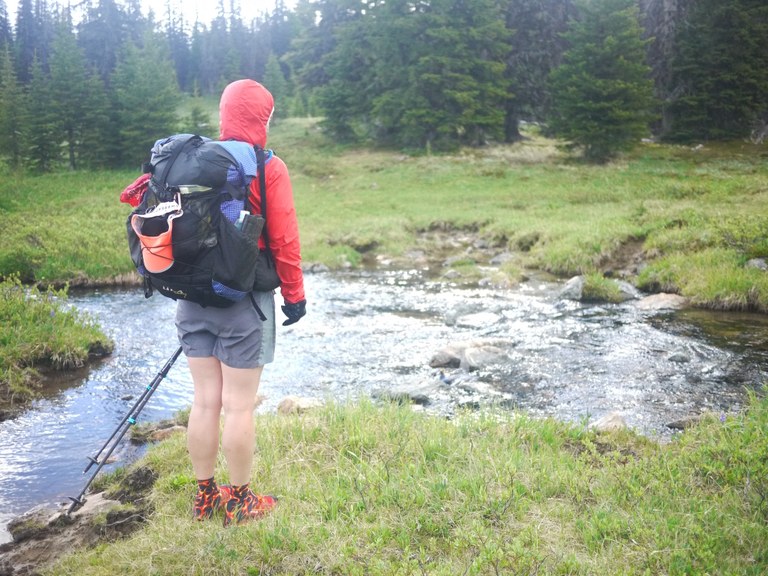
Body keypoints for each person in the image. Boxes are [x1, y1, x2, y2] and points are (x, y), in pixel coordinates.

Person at [176, 79, 306, 526]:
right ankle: (241, 499)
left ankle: (205, 495)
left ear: (225, 112)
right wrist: (295, 296)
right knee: (238, 406)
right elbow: (284, 238)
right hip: (244, 302)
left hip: (191, 298)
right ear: (262, 118)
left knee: (204, 400)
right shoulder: (268, 167)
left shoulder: (195, 162)